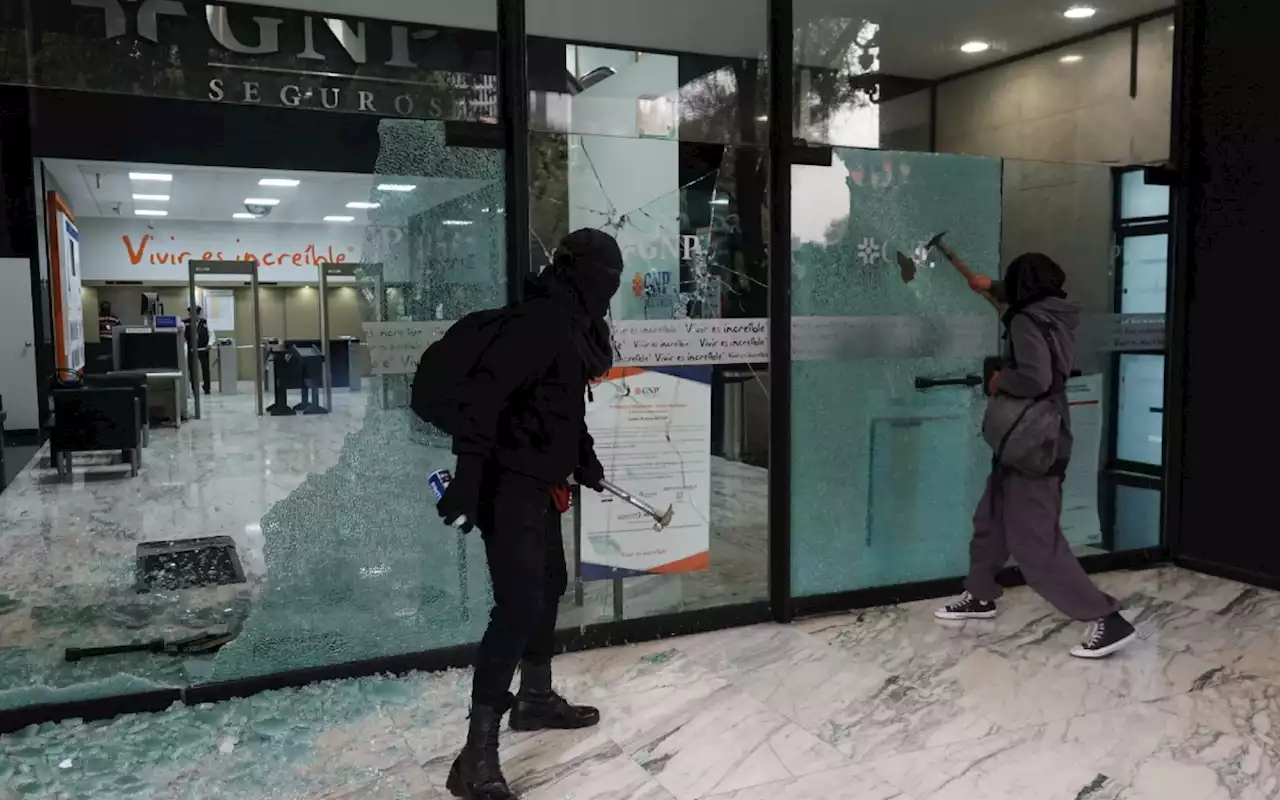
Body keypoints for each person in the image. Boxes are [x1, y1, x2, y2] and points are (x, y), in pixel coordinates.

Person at [436, 229, 622, 800]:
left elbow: (559, 406)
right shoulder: (539, 322)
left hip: (540, 480)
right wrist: (468, 480)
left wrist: (583, 458)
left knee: (548, 584)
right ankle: (476, 755)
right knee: (517, 605)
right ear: (577, 274)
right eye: (603, 279)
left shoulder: (570, 325)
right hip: (505, 482)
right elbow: (483, 399)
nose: (608, 290)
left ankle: (536, 700)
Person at [933, 242, 1136, 660]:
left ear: (1023, 287)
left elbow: (1035, 377)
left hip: (1032, 437)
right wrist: (986, 284)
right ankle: (980, 594)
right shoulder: (1051, 313)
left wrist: (998, 381)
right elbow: (1013, 294)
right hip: (1035, 433)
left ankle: (1105, 618)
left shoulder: (1027, 321)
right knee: (991, 518)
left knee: (1035, 541)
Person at [184, 306, 211, 395]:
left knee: (205, 368)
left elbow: (211, 334)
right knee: (192, 369)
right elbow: (182, 337)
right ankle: (194, 388)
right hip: (191, 349)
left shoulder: (205, 322)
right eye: (191, 314)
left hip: (203, 348)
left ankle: (207, 387)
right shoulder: (185, 323)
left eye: (196, 313)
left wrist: (209, 344)